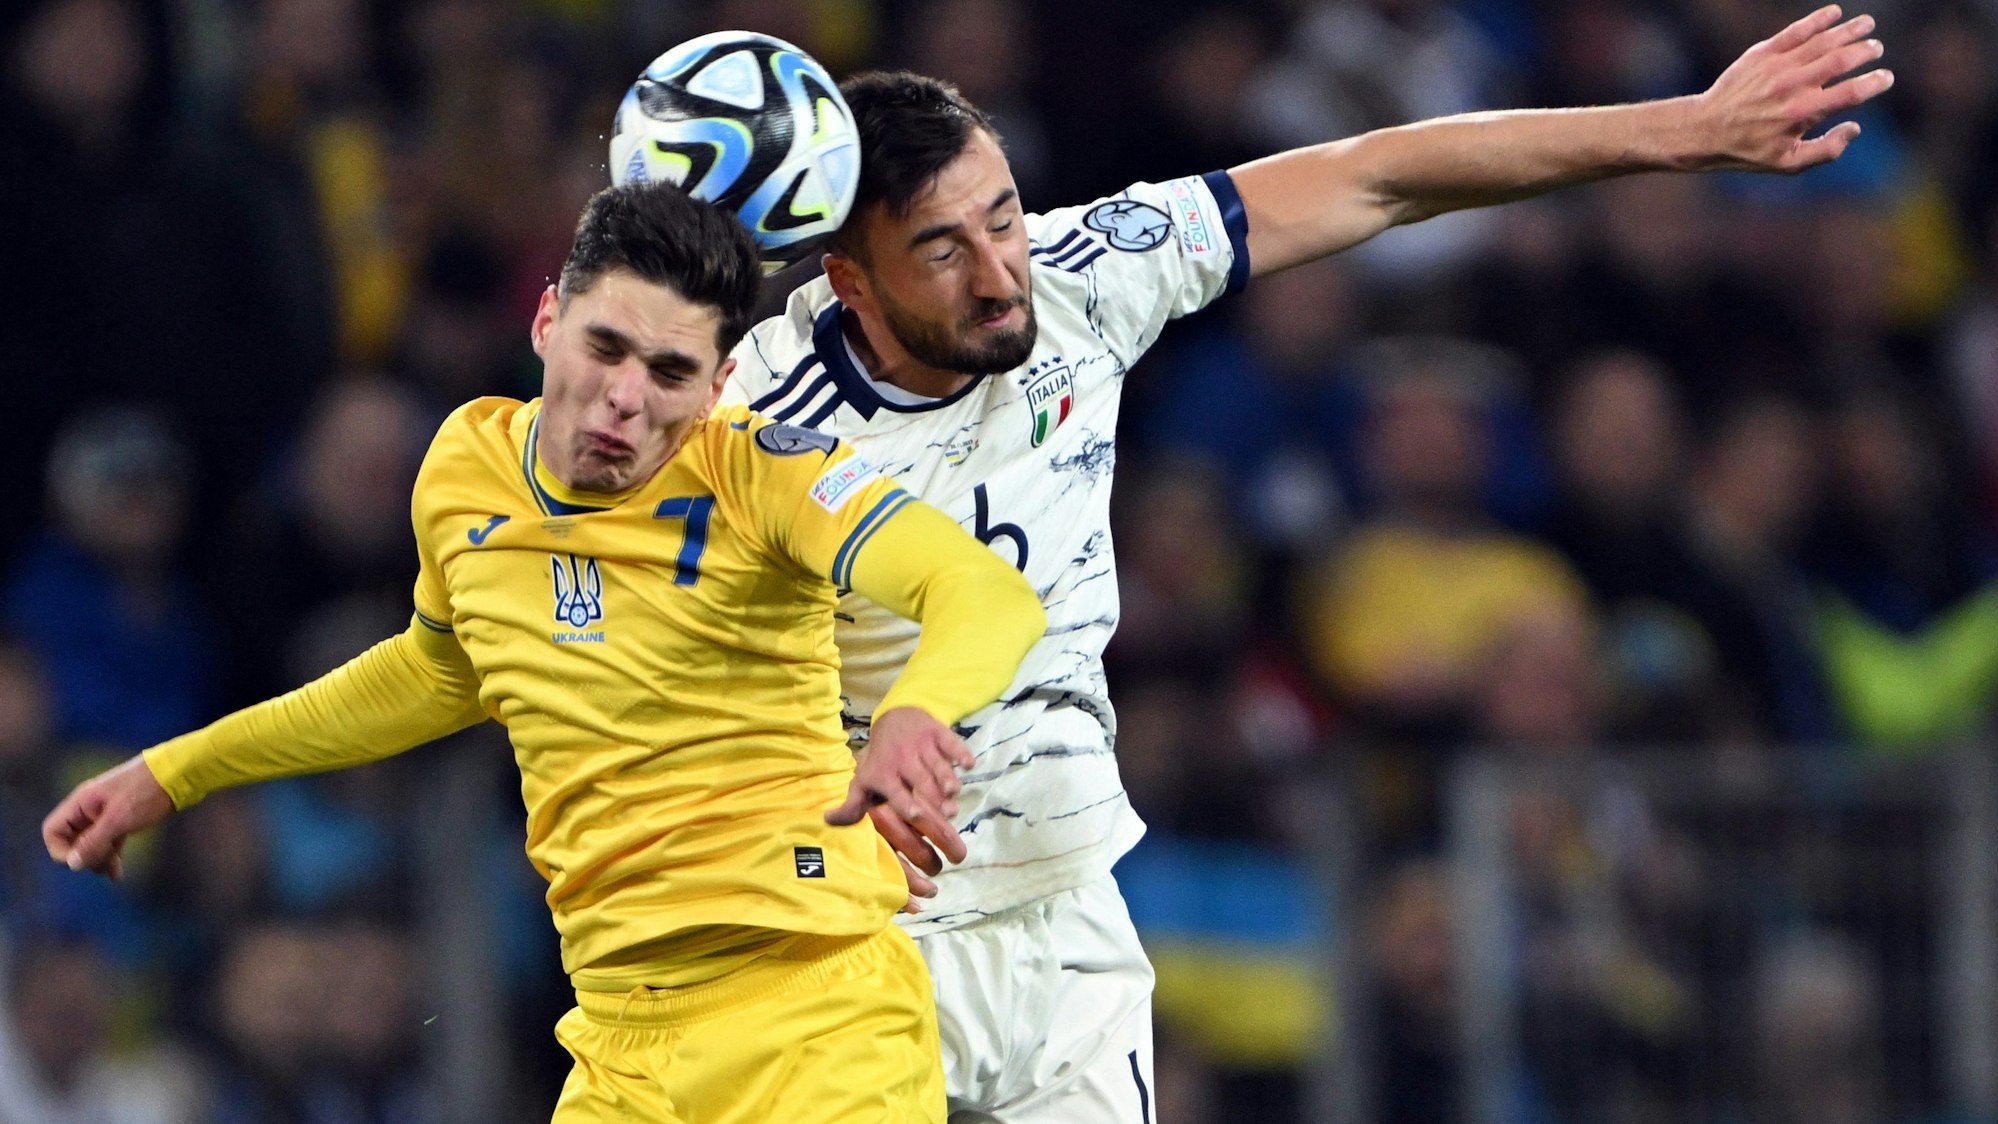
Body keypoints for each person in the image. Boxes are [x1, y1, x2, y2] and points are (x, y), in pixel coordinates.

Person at [721, 7, 1891, 1119]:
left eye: (1004, 215)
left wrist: (1683, 132)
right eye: (942, 248)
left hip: (1061, 900)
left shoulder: (1085, 275)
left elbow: (1377, 172)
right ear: (850, 281)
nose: (998, 271)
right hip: (858, 913)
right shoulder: (752, 424)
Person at [43, 181, 1048, 1124]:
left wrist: (916, 710)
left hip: (814, 1018)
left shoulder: (762, 475)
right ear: (545, 320)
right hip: (621, 1039)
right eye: (604, 347)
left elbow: (981, 591)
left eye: (669, 373)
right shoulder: (463, 467)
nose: (625, 398)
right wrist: (178, 770)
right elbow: (437, 670)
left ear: (717, 384)